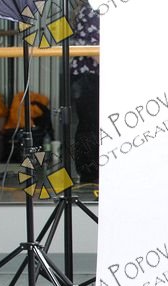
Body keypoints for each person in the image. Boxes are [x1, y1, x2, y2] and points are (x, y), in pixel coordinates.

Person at [69, 2, 100, 184]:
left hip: (89, 75)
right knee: (90, 125)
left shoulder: (92, 10)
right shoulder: (91, 11)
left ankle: (90, 173)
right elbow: (94, 49)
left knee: (90, 124)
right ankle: (89, 174)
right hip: (87, 75)